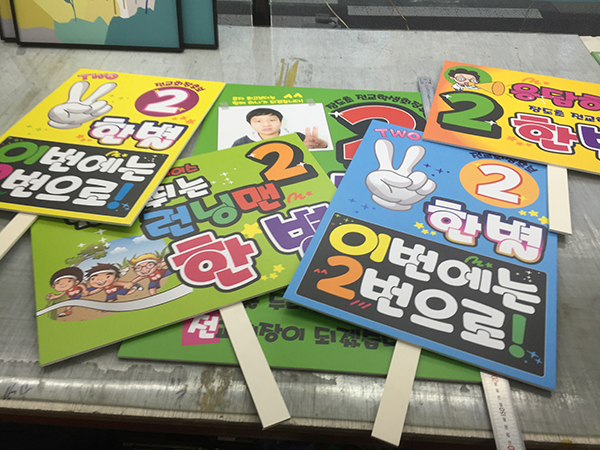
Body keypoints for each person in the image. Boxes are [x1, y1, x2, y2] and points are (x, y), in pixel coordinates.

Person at [232, 107, 328, 149]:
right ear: (251, 125)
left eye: (272, 120)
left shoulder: (297, 137)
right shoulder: (242, 143)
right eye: (258, 121)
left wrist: (322, 147)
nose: (266, 124)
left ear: (280, 123)